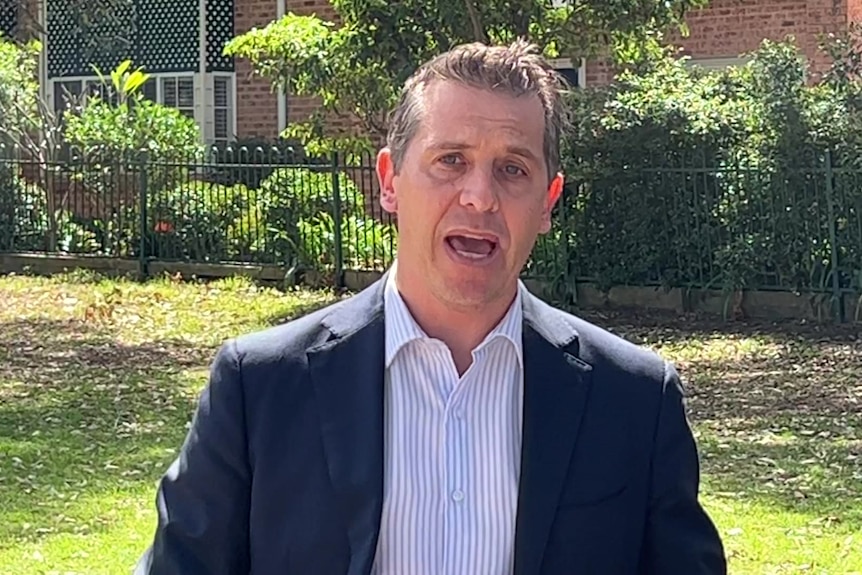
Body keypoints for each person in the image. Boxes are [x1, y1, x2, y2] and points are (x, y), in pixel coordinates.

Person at [135, 40, 726, 575]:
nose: (479, 195)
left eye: (512, 169)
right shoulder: (260, 387)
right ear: (389, 181)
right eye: (450, 160)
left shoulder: (633, 400)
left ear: (548, 201)